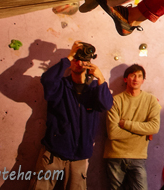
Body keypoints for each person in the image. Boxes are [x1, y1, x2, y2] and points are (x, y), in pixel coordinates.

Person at [30, 41, 113, 190]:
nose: (79, 63)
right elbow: (47, 80)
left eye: (83, 60)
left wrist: (101, 78)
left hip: (79, 156)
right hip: (53, 153)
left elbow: (106, 105)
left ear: (89, 64)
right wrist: (68, 57)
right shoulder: (60, 85)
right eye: (76, 59)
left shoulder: (94, 89)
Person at [104, 63, 161, 189]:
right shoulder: (115, 101)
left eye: (139, 76)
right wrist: (142, 132)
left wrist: (125, 124)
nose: (136, 79)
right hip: (115, 156)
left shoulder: (151, 100)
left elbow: (154, 127)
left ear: (143, 80)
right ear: (125, 79)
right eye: (132, 75)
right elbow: (113, 133)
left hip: (138, 157)